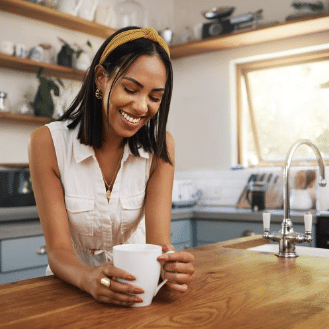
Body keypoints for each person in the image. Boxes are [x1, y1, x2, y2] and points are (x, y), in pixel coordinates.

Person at [28, 26, 194, 306]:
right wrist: (88, 278)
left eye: (155, 97)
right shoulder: (48, 143)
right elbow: (57, 252)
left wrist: (171, 269)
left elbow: (159, 245)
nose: (142, 107)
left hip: (135, 293)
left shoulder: (160, 148)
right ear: (102, 78)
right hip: (70, 294)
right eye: (130, 89)